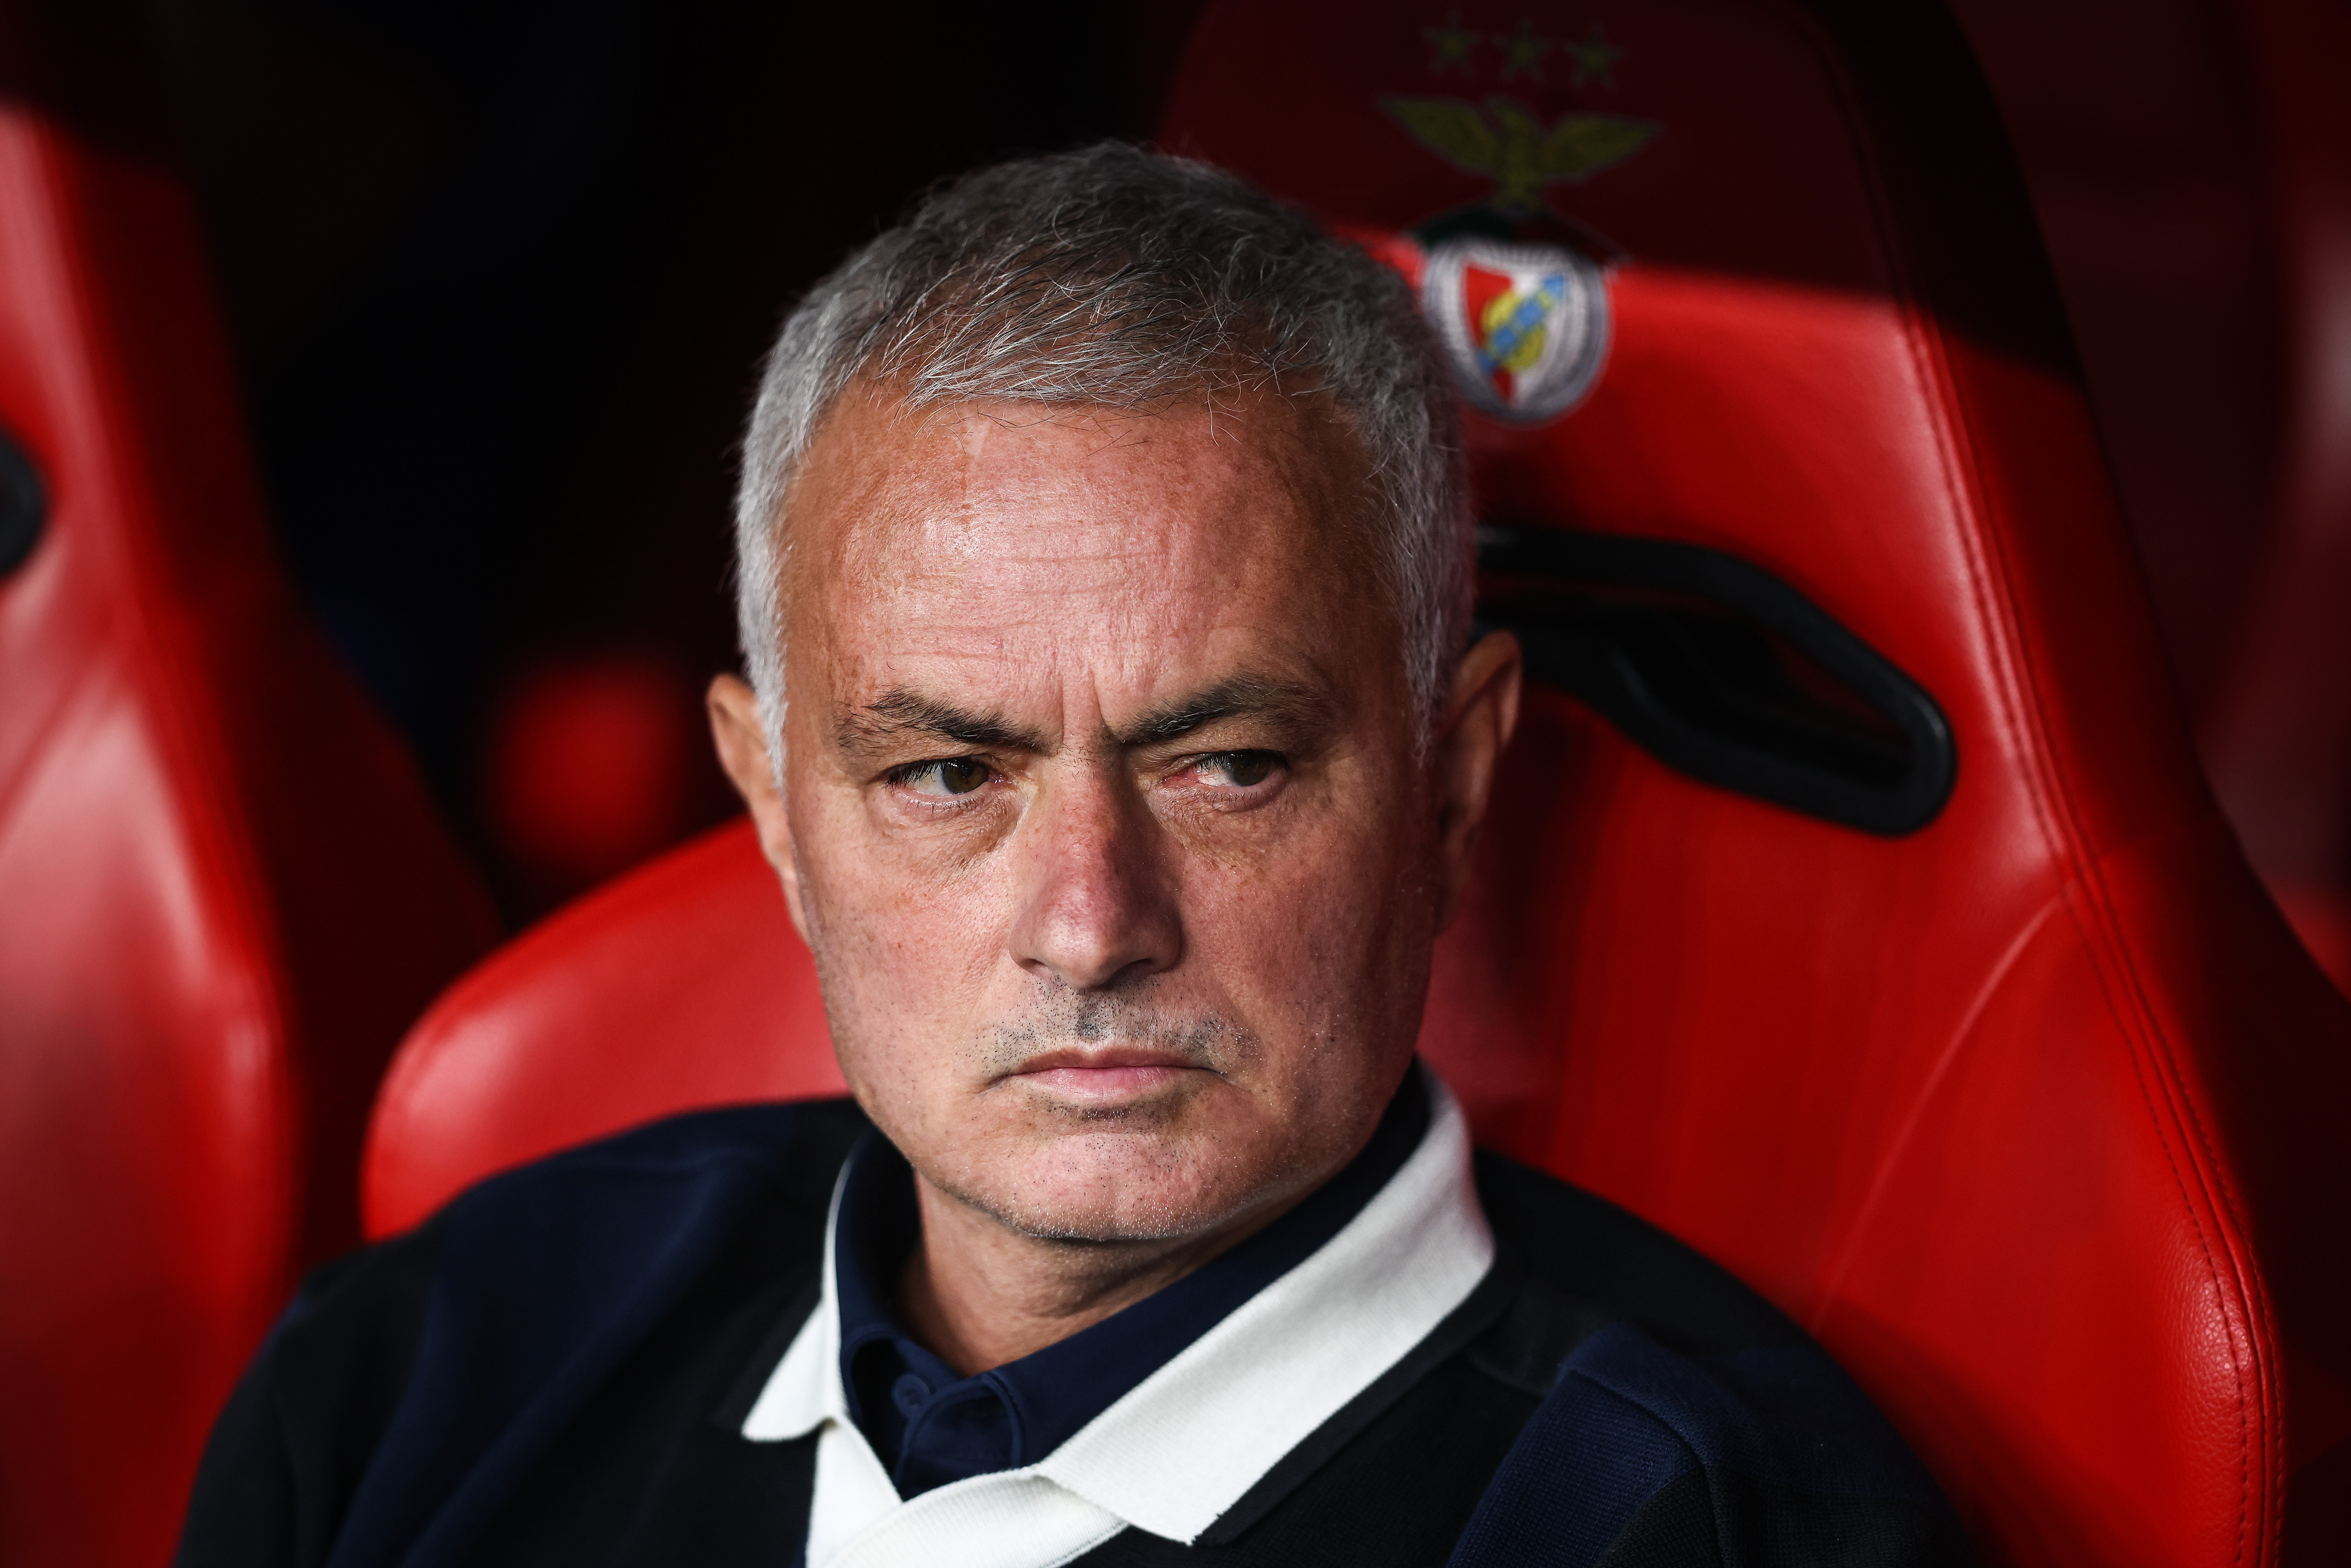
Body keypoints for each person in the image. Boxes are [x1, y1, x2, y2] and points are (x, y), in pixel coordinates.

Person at [176, 143, 1969, 1568]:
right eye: (951, 772)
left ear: (1449, 780)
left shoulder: (1717, 1527)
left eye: (1231, 764)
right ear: (778, 809)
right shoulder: (425, 1367)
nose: (1095, 923)